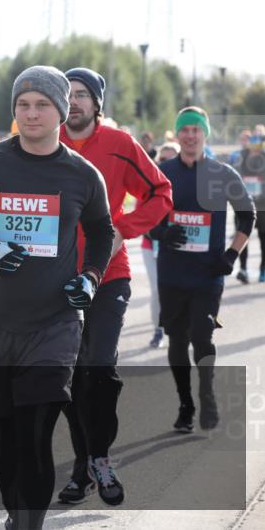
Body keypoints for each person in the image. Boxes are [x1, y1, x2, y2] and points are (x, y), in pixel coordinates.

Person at [0, 65, 114, 530]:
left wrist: (91, 278)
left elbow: (102, 231)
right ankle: (14, 516)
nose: (32, 113)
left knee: (37, 436)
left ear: (62, 111)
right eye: (23, 104)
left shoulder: (82, 174)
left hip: (53, 325)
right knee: (5, 439)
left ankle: (27, 526)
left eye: (42, 104)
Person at [56, 68, 173, 506]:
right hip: (57, 280)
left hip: (108, 276)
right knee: (67, 375)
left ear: (97, 103)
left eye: (82, 95)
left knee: (99, 369)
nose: (74, 103)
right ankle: (81, 466)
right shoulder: (46, 144)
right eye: (66, 95)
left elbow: (161, 193)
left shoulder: (121, 145)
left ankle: (99, 459)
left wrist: (123, 228)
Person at [151, 107, 254, 434]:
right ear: (177, 134)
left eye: (196, 130)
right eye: (185, 130)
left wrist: (231, 254)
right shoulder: (162, 172)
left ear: (205, 133)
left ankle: (206, 392)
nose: (190, 135)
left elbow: (247, 215)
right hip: (171, 274)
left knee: (202, 337)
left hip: (208, 275)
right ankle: (186, 403)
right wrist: (160, 232)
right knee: (177, 342)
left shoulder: (222, 173)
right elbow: (144, 216)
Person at [144, 142, 180, 348]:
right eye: (162, 159)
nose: (166, 163)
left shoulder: (188, 182)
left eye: (171, 159)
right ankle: (158, 328)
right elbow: (141, 216)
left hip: (182, 246)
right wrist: (157, 232)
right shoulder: (150, 184)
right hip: (152, 246)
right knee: (158, 289)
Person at [235, 128, 265, 283]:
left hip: (263, 206)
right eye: (253, 141)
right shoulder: (242, 156)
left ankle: (263, 269)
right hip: (244, 205)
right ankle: (243, 269)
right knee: (242, 236)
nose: (256, 145)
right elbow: (235, 175)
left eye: (259, 142)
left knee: (264, 239)